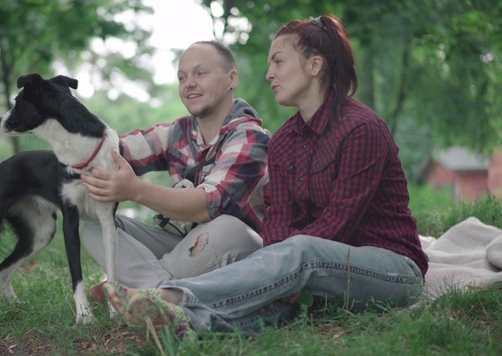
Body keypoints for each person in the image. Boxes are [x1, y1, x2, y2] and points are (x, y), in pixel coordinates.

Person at [101, 14, 429, 338]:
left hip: (390, 270)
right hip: (318, 271)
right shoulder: (284, 140)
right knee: (272, 299)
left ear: (314, 66)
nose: (269, 74)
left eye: (278, 62)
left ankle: (171, 295)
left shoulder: (362, 129)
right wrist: (281, 270)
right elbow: (279, 219)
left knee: (300, 251)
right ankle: (184, 323)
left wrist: (286, 264)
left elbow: (337, 225)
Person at [80, 40, 270, 295]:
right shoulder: (177, 133)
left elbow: (207, 207)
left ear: (231, 79)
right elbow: (114, 151)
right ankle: (158, 294)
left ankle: (136, 287)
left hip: (238, 250)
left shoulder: (249, 136)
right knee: (94, 223)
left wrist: (135, 190)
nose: (189, 83)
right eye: (182, 77)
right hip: (186, 247)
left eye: (200, 73)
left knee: (228, 227)